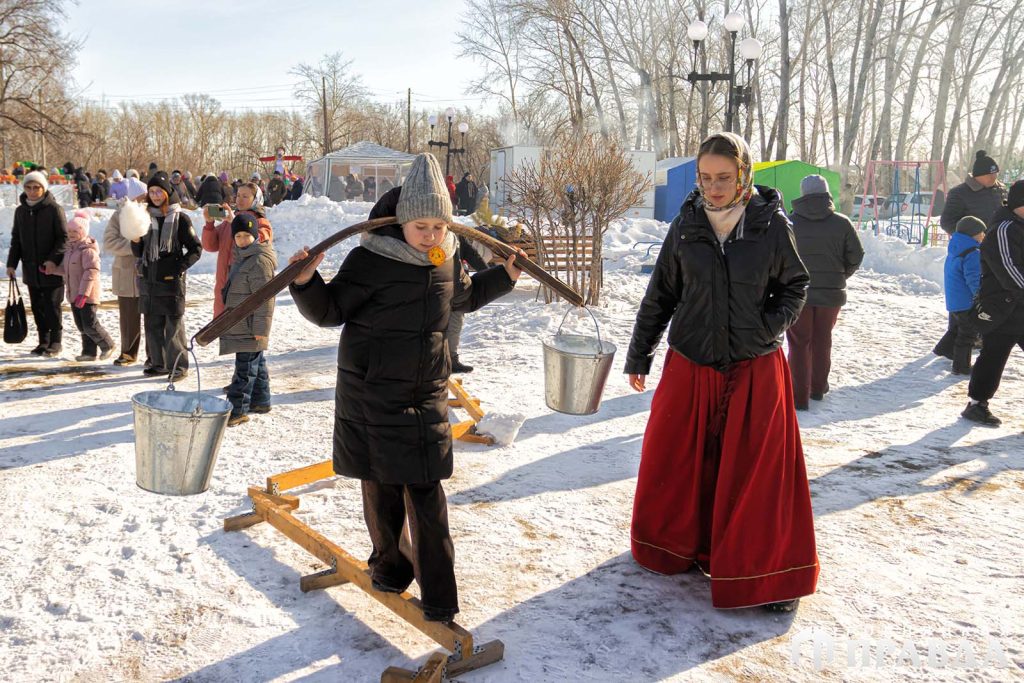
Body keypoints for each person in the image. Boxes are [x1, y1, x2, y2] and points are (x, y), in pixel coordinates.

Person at [288, 153, 522, 623]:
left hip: (426, 391)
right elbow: (330, 312)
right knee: (381, 485)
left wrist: (505, 276)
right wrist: (306, 280)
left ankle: (440, 598)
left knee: (428, 492)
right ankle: (391, 569)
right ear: (401, 221)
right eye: (423, 226)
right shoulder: (370, 259)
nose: (433, 235)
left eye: (440, 226)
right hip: (374, 393)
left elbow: (466, 298)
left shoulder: (446, 259)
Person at [624, 132, 816, 612]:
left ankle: (766, 574)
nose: (713, 188)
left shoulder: (771, 225)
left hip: (755, 366)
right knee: (682, 460)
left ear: (744, 175)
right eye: (705, 178)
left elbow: (796, 286)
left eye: (723, 178)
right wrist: (639, 354)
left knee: (755, 472)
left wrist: (765, 329)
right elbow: (661, 294)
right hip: (692, 361)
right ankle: (679, 548)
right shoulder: (686, 224)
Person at [786, 174, 864, 409]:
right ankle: (818, 388)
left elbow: (780, 258)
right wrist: (839, 276)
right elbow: (856, 256)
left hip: (799, 293)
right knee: (823, 340)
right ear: (826, 193)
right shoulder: (841, 223)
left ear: (803, 194)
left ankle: (798, 396)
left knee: (799, 343)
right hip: (831, 295)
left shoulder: (789, 223)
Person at [961, 180, 1024, 426]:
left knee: (993, 355)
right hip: (1003, 307)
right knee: (994, 355)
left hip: (1019, 304)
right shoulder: (1004, 229)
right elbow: (1009, 269)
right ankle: (977, 404)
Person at [935, 151, 1007, 359]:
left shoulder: (1000, 190)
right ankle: (956, 340)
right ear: (978, 176)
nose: (994, 178)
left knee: (991, 294)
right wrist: (970, 237)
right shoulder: (960, 193)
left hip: (998, 249)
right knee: (964, 297)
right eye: (990, 175)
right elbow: (947, 221)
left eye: (996, 174)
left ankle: (980, 334)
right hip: (972, 251)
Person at [129, 172, 202, 380]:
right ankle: (158, 363)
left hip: (171, 283)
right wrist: (135, 241)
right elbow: (139, 252)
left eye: (158, 191)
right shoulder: (144, 218)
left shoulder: (180, 218)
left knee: (173, 327)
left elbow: (196, 248)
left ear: (167, 192)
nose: (155, 196)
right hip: (149, 281)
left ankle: (178, 366)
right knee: (152, 325)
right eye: (151, 192)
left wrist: (178, 267)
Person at [220, 214, 277, 426]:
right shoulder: (243, 256)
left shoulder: (258, 261)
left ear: (255, 236)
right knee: (256, 362)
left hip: (251, 324)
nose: (243, 240)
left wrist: (261, 329)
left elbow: (265, 298)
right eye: (239, 235)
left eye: (247, 236)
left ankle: (237, 410)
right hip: (243, 321)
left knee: (244, 369)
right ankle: (261, 400)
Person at [5, 171, 67, 356]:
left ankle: (56, 341)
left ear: (43, 188)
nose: (32, 191)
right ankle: (43, 341)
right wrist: (11, 264)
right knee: (37, 306)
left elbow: (63, 238)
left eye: (36, 187)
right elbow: (16, 239)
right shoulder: (21, 211)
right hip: (31, 269)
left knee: (52, 305)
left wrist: (52, 260)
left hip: (51, 269)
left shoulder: (54, 209)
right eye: (28, 187)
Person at [202, 181, 274, 317]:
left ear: (256, 199)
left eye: (245, 196)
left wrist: (235, 222)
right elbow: (210, 246)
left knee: (241, 329)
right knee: (222, 327)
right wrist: (209, 223)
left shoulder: (260, 222)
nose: (239, 199)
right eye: (238, 195)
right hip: (223, 285)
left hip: (245, 285)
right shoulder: (228, 221)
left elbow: (259, 246)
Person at [60, 210, 115, 361]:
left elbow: (91, 272)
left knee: (90, 324)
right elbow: (67, 270)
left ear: (83, 232)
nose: (71, 234)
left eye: (75, 231)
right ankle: (89, 353)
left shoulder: (88, 251)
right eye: (69, 231)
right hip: (73, 294)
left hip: (87, 295)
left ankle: (108, 345)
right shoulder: (70, 249)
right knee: (81, 326)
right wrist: (51, 269)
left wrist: (83, 293)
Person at [102, 200, 149, 366]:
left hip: (150, 272)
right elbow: (109, 242)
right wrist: (134, 246)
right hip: (126, 274)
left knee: (152, 318)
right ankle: (128, 352)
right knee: (128, 317)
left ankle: (154, 355)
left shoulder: (153, 213)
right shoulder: (119, 215)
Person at [943, 217, 986, 376]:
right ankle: (961, 367)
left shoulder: (956, 247)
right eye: (981, 232)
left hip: (955, 298)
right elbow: (973, 278)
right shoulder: (972, 252)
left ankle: (945, 350)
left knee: (958, 329)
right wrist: (980, 296)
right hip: (966, 300)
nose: (983, 235)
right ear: (972, 234)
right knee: (968, 334)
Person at [447, 235, 491, 373]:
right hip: (432, 291)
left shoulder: (457, 236)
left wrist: (490, 275)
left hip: (457, 289)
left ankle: (451, 361)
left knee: (454, 325)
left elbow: (474, 256)